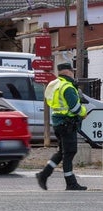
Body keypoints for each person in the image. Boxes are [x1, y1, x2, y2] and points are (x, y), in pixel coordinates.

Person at [36, 63, 87, 191]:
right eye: (72, 71)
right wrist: (84, 112)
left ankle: (44, 174)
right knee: (69, 153)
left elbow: (50, 101)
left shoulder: (54, 84)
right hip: (67, 123)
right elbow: (75, 108)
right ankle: (70, 183)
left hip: (58, 122)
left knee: (62, 152)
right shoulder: (68, 87)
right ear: (69, 72)